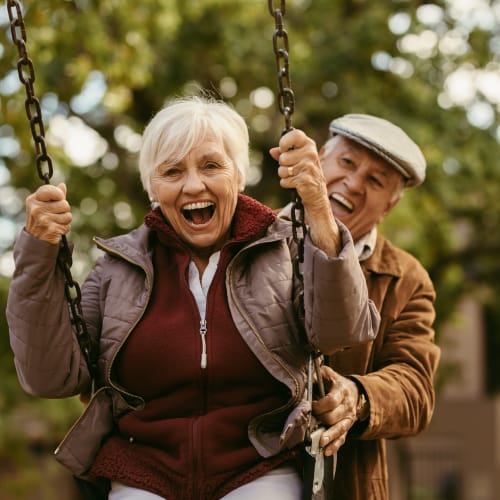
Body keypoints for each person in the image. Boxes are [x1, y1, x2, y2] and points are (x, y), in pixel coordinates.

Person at [6, 96, 379, 500]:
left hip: (259, 466)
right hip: (143, 471)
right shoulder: (116, 269)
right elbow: (51, 377)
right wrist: (39, 253)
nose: (193, 185)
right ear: (153, 187)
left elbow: (341, 331)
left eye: (211, 166)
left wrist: (318, 208)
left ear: (238, 175)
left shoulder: (284, 249)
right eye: (172, 171)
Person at [273, 113, 440, 499]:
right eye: (347, 163)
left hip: (344, 485)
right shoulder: (249, 239)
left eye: (375, 180)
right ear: (319, 161)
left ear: (390, 207)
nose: (353, 183)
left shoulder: (406, 279)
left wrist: (357, 396)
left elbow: (415, 389)